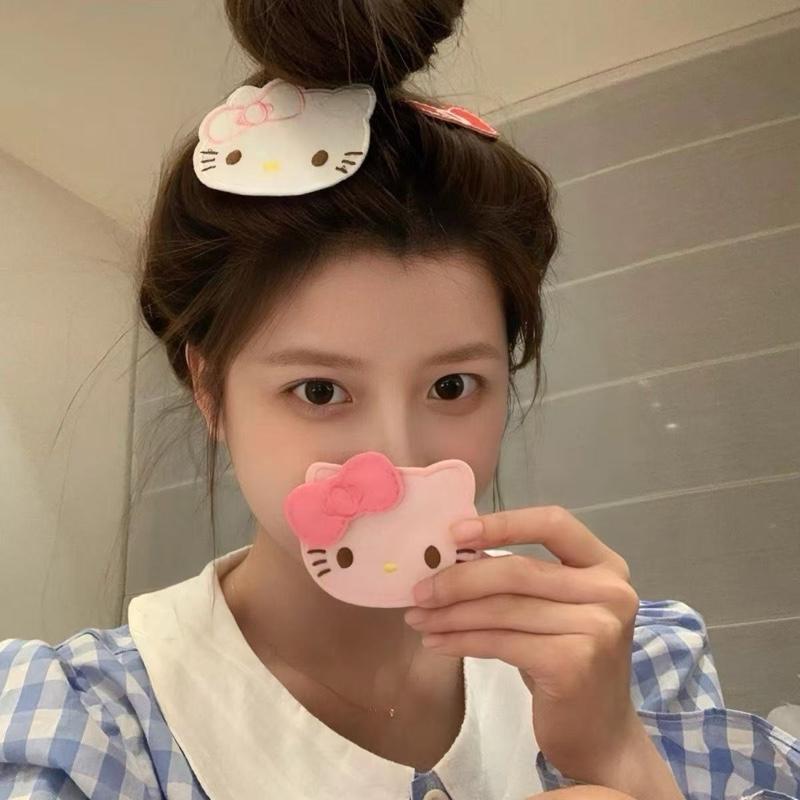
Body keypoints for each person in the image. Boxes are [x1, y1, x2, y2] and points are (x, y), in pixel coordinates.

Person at [2, 1, 799, 798]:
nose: (399, 461)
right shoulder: (88, 734)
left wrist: (623, 758)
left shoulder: (626, 663)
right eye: (319, 390)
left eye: (452, 386)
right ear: (211, 392)